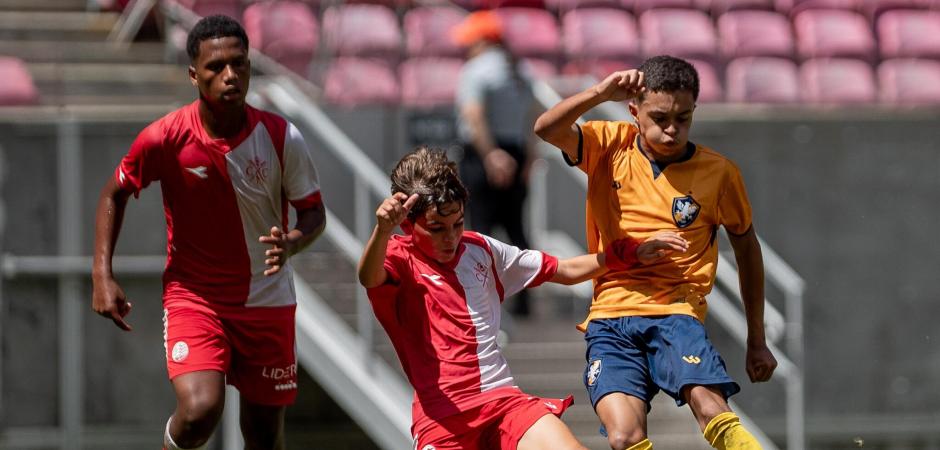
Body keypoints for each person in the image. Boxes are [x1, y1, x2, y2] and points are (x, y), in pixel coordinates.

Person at [91, 15, 326, 450]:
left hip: (267, 299)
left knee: (264, 436)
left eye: (239, 64)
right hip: (195, 298)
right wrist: (101, 275)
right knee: (200, 412)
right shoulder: (164, 138)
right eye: (216, 67)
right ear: (193, 75)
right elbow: (113, 193)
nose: (230, 75)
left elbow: (313, 214)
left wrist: (293, 242)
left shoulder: (282, 137)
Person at [357, 147, 687, 450]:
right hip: (442, 420)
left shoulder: (481, 250)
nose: (451, 237)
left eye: (457, 224)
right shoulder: (397, 257)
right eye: (437, 228)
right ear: (407, 224)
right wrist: (382, 230)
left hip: (503, 403)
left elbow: (564, 269)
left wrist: (630, 252)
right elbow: (368, 277)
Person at [533, 55, 778, 450]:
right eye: (660, 118)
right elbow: (546, 128)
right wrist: (600, 93)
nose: (672, 129)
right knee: (623, 436)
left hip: (675, 312)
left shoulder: (720, 173)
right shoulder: (608, 144)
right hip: (611, 316)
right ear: (635, 112)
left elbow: (747, 251)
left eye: (683, 118)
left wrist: (757, 338)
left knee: (711, 408)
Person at [451, 11, 539, 317]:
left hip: (483, 155)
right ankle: (524, 302)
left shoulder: (476, 70)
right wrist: (529, 157)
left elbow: (474, 116)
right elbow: (533, 118)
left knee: (480, 229)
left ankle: (479, 301)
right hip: (517, 153)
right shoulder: (521, 70)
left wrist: (490, 154)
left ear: (483, 41)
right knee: (517, 229)